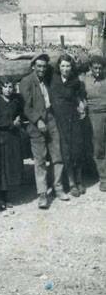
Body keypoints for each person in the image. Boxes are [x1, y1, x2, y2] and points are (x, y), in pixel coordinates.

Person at [19, 53, 68, 209]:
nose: (41, 69)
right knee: (39, 159)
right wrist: (38, 120)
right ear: (33, 66)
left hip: (51, 119)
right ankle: (42, 194)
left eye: (44, 66)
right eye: (39, 66)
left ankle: (58, 188)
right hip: (36, 124)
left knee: (57, 155)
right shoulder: (26, 82)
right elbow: (26, 106)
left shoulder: (48, 78)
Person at [50, 54, 87, 197]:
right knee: (65, 152)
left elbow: (78, 97)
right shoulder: (53, 79)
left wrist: (81, 105)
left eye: (68, 66)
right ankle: (71, 183)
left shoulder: (75, 81)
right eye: (63, 66)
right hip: (59, 121)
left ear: (72, 67)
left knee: (77, 149)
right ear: (59, 67)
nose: (66, 69)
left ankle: (79, 180)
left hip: (73, 119)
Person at [0, 76, 23, 207]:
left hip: (13, 137)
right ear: (0, 88)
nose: (8, 90)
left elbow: (22, 112)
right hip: (1, 138)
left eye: (10, 86)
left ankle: (7, 195)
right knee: (1, 167)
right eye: (5, 86)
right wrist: (12, 123)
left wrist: (19, 119)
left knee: (11, 165)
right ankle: (0, 197)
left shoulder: (16, 100)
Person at [82, 55, 106, 191]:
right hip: (94, 116)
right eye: (95, 68)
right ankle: (103, 178)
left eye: (100, 68)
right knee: (99, 147)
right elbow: (80, 96)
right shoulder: (85, 80)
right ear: (90, 68)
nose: (98, 70)